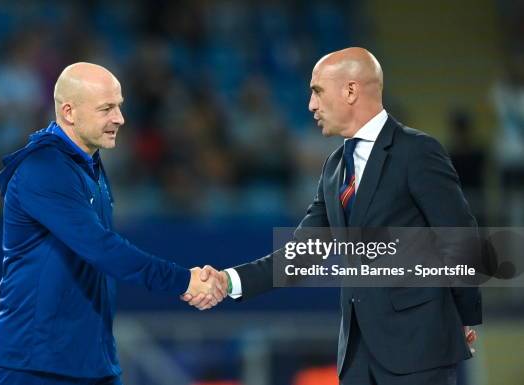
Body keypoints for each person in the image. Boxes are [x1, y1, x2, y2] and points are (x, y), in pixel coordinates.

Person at [183, 47, 482, 385]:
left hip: (419, 353)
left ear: (350, 90)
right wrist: (227, 281)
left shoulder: (417, 151)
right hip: (357, 359)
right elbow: (300, 254)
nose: (311, 104)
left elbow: (458, 236)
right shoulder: (334, 168)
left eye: (317, 91)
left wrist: (464, 314)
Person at [0, 62, 225, 385]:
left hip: (92, 364)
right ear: (69, 112)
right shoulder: (43, 168)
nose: (119, 119)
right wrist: (183, 280)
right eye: (107, 108)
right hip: (36, 365)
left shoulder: (88, 165)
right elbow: (102, 249)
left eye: (120, 107)